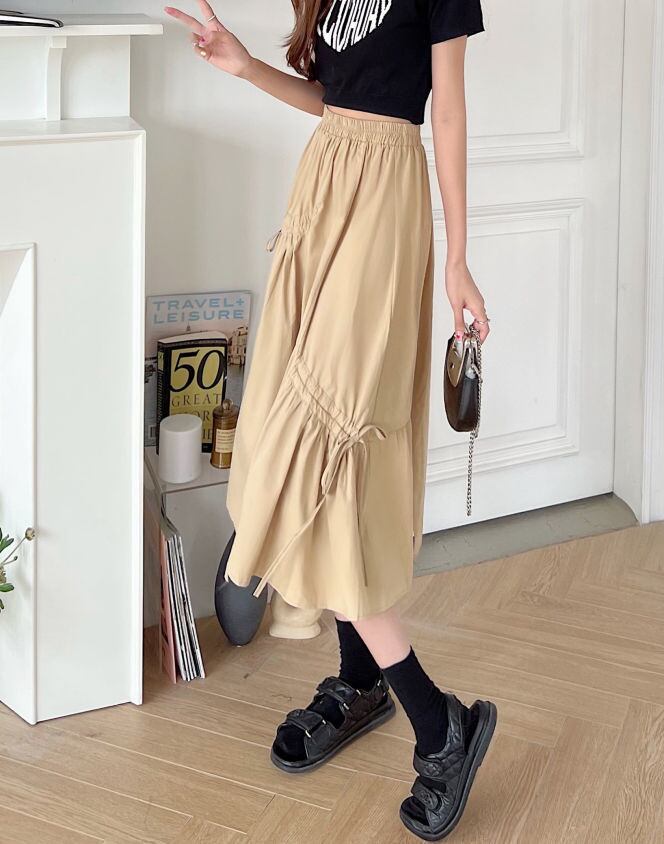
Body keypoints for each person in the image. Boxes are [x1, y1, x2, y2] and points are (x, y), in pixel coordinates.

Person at [165, 1, 496, 838]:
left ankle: (441, 726)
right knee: (288, 414)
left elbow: (445, 113)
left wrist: (458, 258)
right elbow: (334, 99)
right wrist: (245, 66)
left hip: (382, 206)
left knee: (334, 449)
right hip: (324, 190)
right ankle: (360, 678)